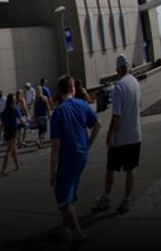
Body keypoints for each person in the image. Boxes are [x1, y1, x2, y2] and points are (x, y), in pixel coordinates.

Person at [50, 75, 101, 248]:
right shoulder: (81, 104)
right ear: (72, 89)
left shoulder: (58, 112)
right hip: (82, 155)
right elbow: (97, 125)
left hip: (68, 156)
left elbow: (55, 144)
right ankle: (65, 229)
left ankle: (77, 232)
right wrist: (88, 144)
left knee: (62, 196)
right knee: (71, 189)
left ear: (60, 91)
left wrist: (52, 170)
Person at [93, 54, 142, 215]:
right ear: (128, 67)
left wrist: (110, 134)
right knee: (130, 168)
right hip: (135, 134)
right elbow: (139, 106)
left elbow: (117, 115)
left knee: (111, 168)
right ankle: (127, 199)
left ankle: (106, 198)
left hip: (121, 137)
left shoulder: (119, 87)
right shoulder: (135, 83)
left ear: (117, 70)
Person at [0, 94, 21, 177]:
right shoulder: (14, 109)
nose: (15, 100)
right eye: (14, 99)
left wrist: (0, 133)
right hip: (12, 131)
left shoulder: (5, 111)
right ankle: (3, 170)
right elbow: (20, 118)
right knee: (9, 150)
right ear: (13, 101)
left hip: (7, 131)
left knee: (13, 149)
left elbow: (2, 123)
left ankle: (17, 165)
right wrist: (26, 125)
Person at [33, 85, 53, 149]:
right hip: (43, 116)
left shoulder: (36, 99)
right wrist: (50, 113)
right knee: (44, 131)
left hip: (38, 116)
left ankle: (40, 143)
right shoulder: (44, 98)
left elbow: (34, 108)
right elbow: (48, 107)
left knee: (40, 130)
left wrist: (34, 116)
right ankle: (39, 140)